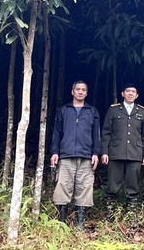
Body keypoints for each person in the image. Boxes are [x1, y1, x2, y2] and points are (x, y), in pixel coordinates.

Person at [50, 81, 101, 227]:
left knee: (84, 187)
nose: (80, 92)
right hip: (65, 155)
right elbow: (57, 133)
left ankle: (80, 223)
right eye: (77, 89)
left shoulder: (92, 111)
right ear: (72, 92)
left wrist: (96, 153)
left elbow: (96, 134)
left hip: (86, 156)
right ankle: (62, 222)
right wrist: (55, 152)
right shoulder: (64, 110)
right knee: (63, 186)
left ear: (86, 93)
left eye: (83, 90)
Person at [101, 83, 144, 208]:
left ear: (137, 95)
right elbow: (106, 132)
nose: (130, 93)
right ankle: (111, 212)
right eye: (128, 91)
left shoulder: (142, 111)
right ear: (122, 94)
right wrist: (105, 152)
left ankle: (131, 213)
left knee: (133, 185)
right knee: (113, 184)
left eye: (133, 91)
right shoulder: (114, 109)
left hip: (135, 153)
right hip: (116, 152)